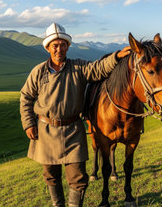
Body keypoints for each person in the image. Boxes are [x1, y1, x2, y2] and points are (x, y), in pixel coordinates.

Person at [20, 22, 131, 207]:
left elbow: (99, 68)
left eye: (63, 44)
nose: (59, 49)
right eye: (55, 45)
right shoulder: (38, 72)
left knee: (78, 177)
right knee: (50, 176)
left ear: (68, 46)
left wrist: (117, 56)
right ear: (48, 48)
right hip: (45, 131)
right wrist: (28, 123)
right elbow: (26, 97)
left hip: (73, 131)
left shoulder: (78, 67)